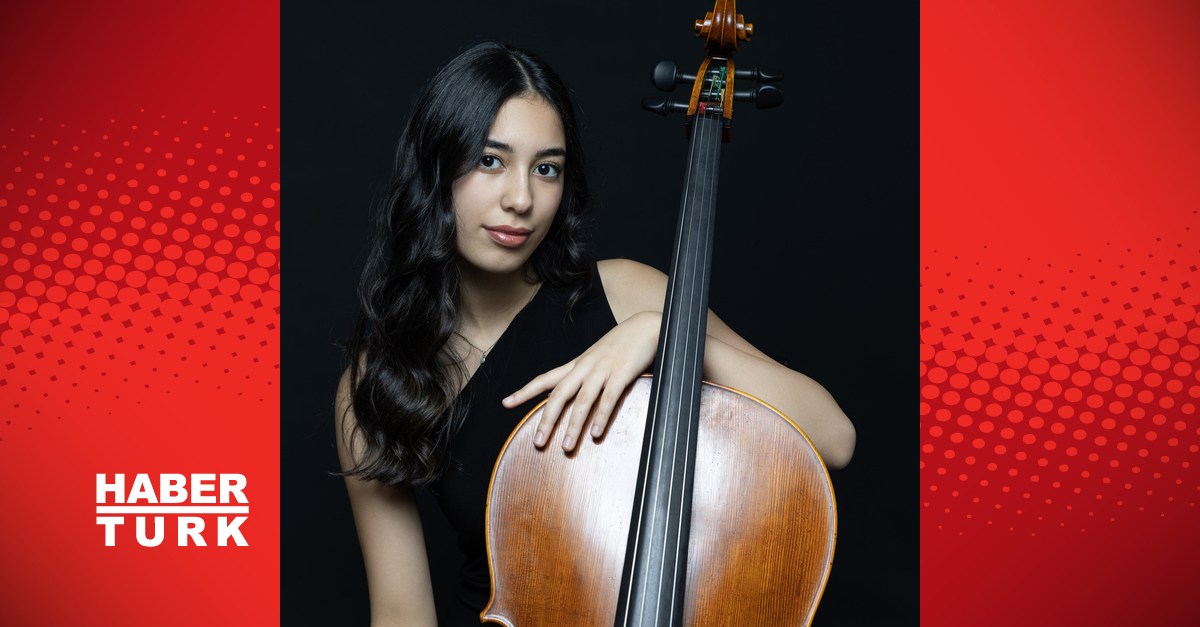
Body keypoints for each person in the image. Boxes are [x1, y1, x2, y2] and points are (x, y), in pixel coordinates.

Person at [334, 42, 856, 627]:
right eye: (490, 161)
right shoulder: (380, 379)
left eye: (547, 169)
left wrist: (667, 334)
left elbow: (834, 438)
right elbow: (400, 612)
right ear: (436, 167)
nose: (521, 199)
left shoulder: (627, 293)